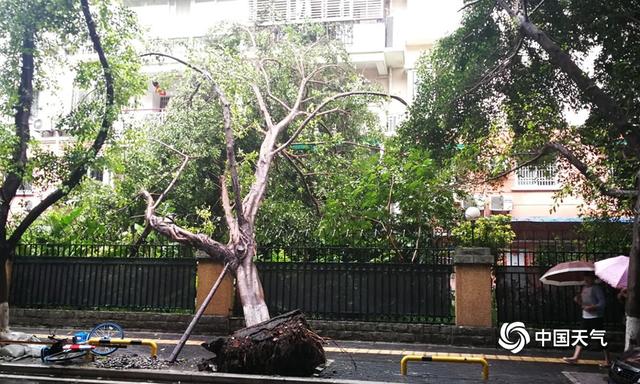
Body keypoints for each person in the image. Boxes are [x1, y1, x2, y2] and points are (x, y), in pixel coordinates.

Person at [563, 272, 611, 367]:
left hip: (596, 318)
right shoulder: (584, 288)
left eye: (588, 278)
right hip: (586, 317)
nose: (586, 280)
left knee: (600, 338)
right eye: (585, 278)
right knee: (581, 337)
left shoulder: (596, 288)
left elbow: (602, 303)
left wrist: (593, 307)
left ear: (593, 279)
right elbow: (583, 303)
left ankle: (608, 360)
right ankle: (575, 357)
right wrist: (578, 299)